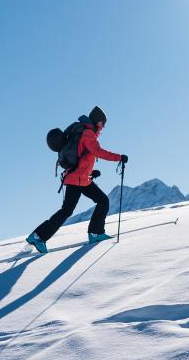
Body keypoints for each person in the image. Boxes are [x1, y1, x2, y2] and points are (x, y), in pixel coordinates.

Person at [26, 106, 128, 253]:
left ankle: (94, 232)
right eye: (102, 123)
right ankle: (39, 236)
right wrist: (119, 157)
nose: (104, 126)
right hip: (77, 179)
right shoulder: (88, 134)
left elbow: (82, 157)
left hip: (80, 178)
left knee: (95, 202)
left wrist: (92, 172)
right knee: (74, 208)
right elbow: (98, 152)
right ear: (97, 121)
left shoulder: (84, 131)